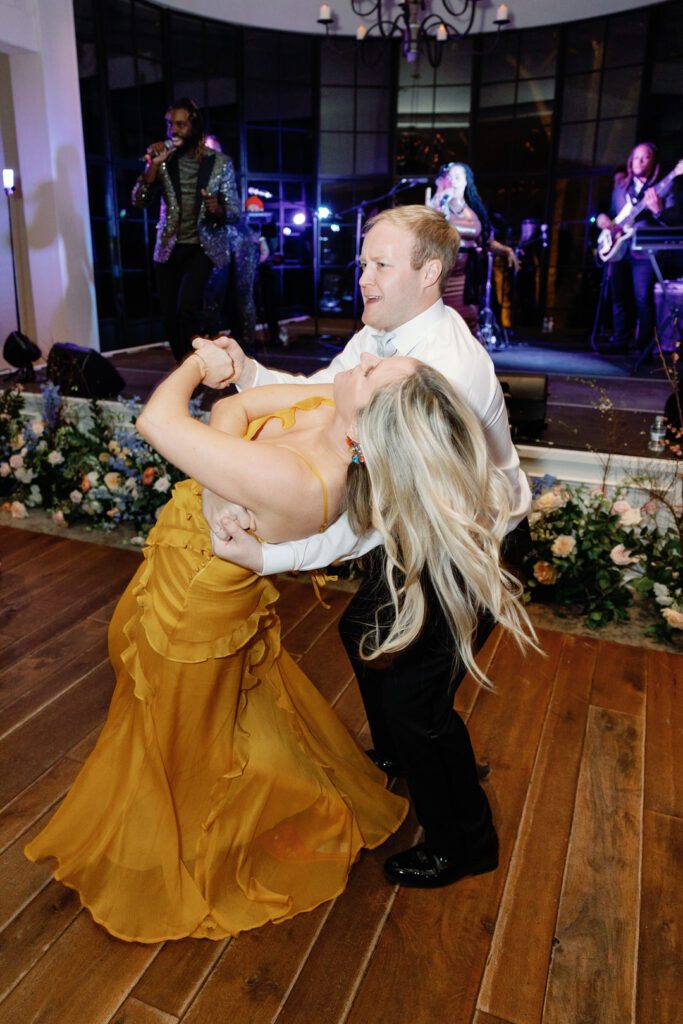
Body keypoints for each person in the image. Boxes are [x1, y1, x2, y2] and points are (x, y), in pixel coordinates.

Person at [24, 340, 533, 941]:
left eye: (371, 373)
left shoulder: (338, 464)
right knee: (331, 662)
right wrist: (226, 496)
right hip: (199, 557)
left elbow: (162, 422)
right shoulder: (347, 416)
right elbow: (240, 421)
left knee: (411, 710)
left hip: (425, 575)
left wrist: (199, 376)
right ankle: (384, 769)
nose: (362, 363)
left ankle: (463, 842)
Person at [199, 204, 534, 889]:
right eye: (362, 262)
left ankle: (464, 840)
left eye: (380, 264)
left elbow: (367, 517)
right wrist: (249, 370)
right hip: (410, 519)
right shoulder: (382, 335)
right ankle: (407, 760)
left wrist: (272, 555)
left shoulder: (443, 369)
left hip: (465, 538)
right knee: (364, 630)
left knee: (417, 699)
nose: (363, 277)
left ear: (429, 272)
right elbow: (328, 399)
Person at [131, 98, 241, 362]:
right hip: (169, 246)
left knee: (186, 309)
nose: (174, 131)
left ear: (194, 125)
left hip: (203, 248)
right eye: (170, 125)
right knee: (169, 315)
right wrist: (153, 165)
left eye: (180, 124)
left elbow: (235, 212)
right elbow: (139, 200)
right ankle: (185, 367)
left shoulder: (219, 162)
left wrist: (217, 209)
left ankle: (196, 366)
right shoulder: (163, 162)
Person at [596, 142, 679, 356]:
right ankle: (620, 341)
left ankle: (645, 346)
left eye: (646, 157)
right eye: (636, 157)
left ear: (654, 162)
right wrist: (602, 220)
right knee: (619, 297)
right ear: (630, 162)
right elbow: (612, 215)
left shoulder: (665, 186)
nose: (640, 161)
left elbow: (676, 220)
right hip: (618, 250)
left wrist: (659, 211)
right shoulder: (621, 188)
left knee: (642, 298)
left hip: (644, 252)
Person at [428, 162, 519, 333]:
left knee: (467, 321)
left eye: (457, 177)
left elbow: (486, 241)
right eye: (449, 178)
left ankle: (471, 358)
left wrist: (507, 251)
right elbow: (425, 231)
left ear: (466, 181)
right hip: (440, 277)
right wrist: (440, 197)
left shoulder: (474, 212)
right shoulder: (438, 206)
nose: (453, 181)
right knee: (437, 324)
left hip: (464, 279)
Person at [202, 135, 260, 352]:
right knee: (212, 290)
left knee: (243, 292)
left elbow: (233, 211)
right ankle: (211, 338)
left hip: (237, 239)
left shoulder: (222, 173)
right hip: (214, 239)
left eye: (211, 150)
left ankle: (246, 341)